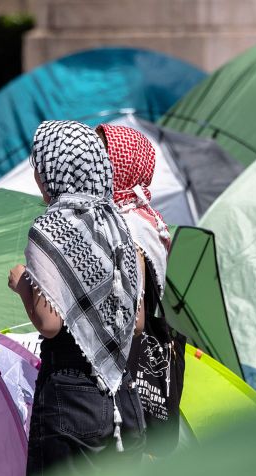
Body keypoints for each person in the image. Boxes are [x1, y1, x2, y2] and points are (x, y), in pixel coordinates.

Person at [7, 120, 147, 476]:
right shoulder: (120, 224)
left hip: (69, 395)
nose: (37, 174)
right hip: (123, 395)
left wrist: (23, 285)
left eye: (40, 163)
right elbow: (137, 324)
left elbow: (49, 323)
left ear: (55, 168)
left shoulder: (51, 228)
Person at [97, 123, 182, 456]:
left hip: (124, 358)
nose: (96, 164)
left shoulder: (129, 224)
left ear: (125, 164)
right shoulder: (147, 218)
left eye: (105, 157)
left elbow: (134, 312)